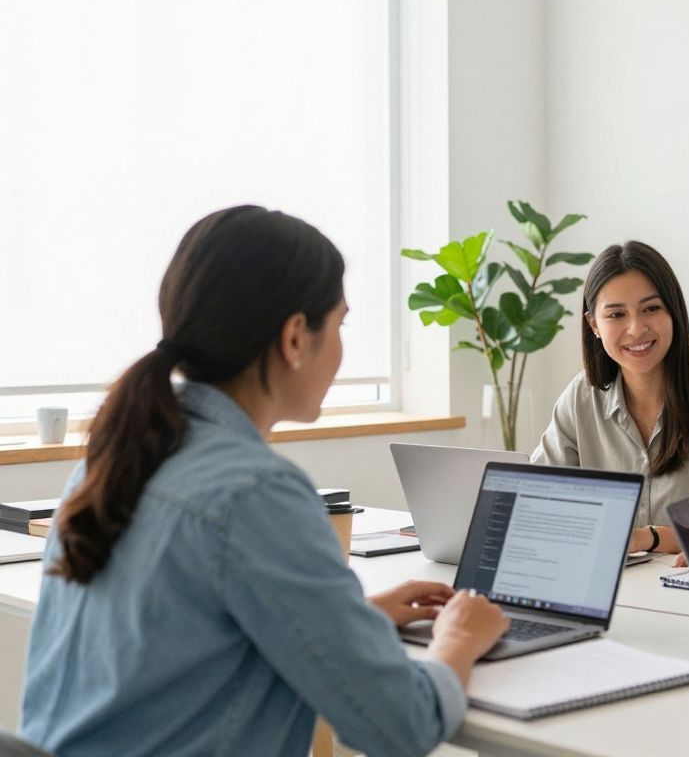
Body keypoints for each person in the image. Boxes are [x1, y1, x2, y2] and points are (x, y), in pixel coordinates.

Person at [21, 206, 509, 757]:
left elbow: (181, 639)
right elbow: (402, 724)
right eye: (341, 323)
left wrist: (354, 618)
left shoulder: (113, 455)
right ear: (296, 337)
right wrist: (459, 641)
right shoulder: (255, 491)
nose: (344, 348)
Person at [532, 241, 689, 555]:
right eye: (616, 315)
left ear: (673, 312)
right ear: (594, 325)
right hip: (611, 585)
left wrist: (646, 538)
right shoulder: (580, 398)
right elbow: (539, 502)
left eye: (651, 309)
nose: (636, 329)